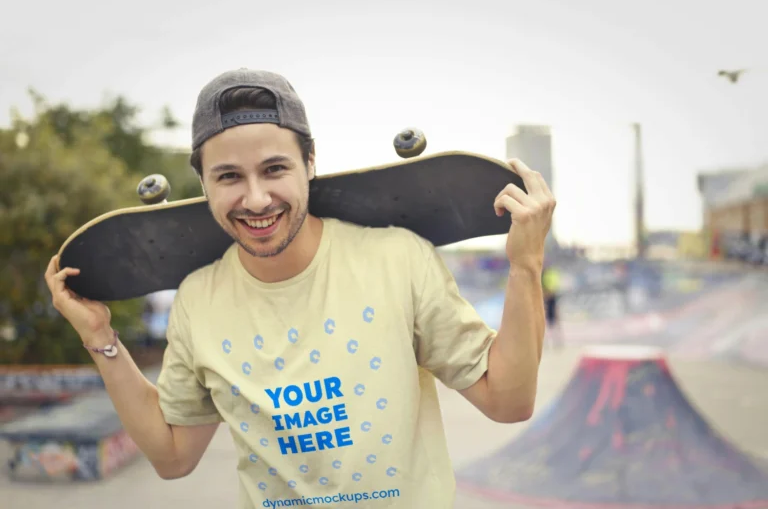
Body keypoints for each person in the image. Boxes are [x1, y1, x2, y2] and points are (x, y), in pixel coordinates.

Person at [44, 68, 556, 508]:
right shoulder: (198, 300)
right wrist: (101, 340)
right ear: (203, 184)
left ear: (310, 162)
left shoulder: (396, 259)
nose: (257, 198)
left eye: (275, 169)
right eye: (228, 177)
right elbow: (173, 456)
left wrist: (525, 265)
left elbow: (508, 402)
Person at [541, 262, 563, 348]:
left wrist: (547, 293)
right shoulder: (543, 274)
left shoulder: (549, 274)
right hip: (545, 299)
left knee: (553, 321)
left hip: (549, 299)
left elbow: (552, 288)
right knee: (546, 322)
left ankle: (557, 341)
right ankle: (552, 342)